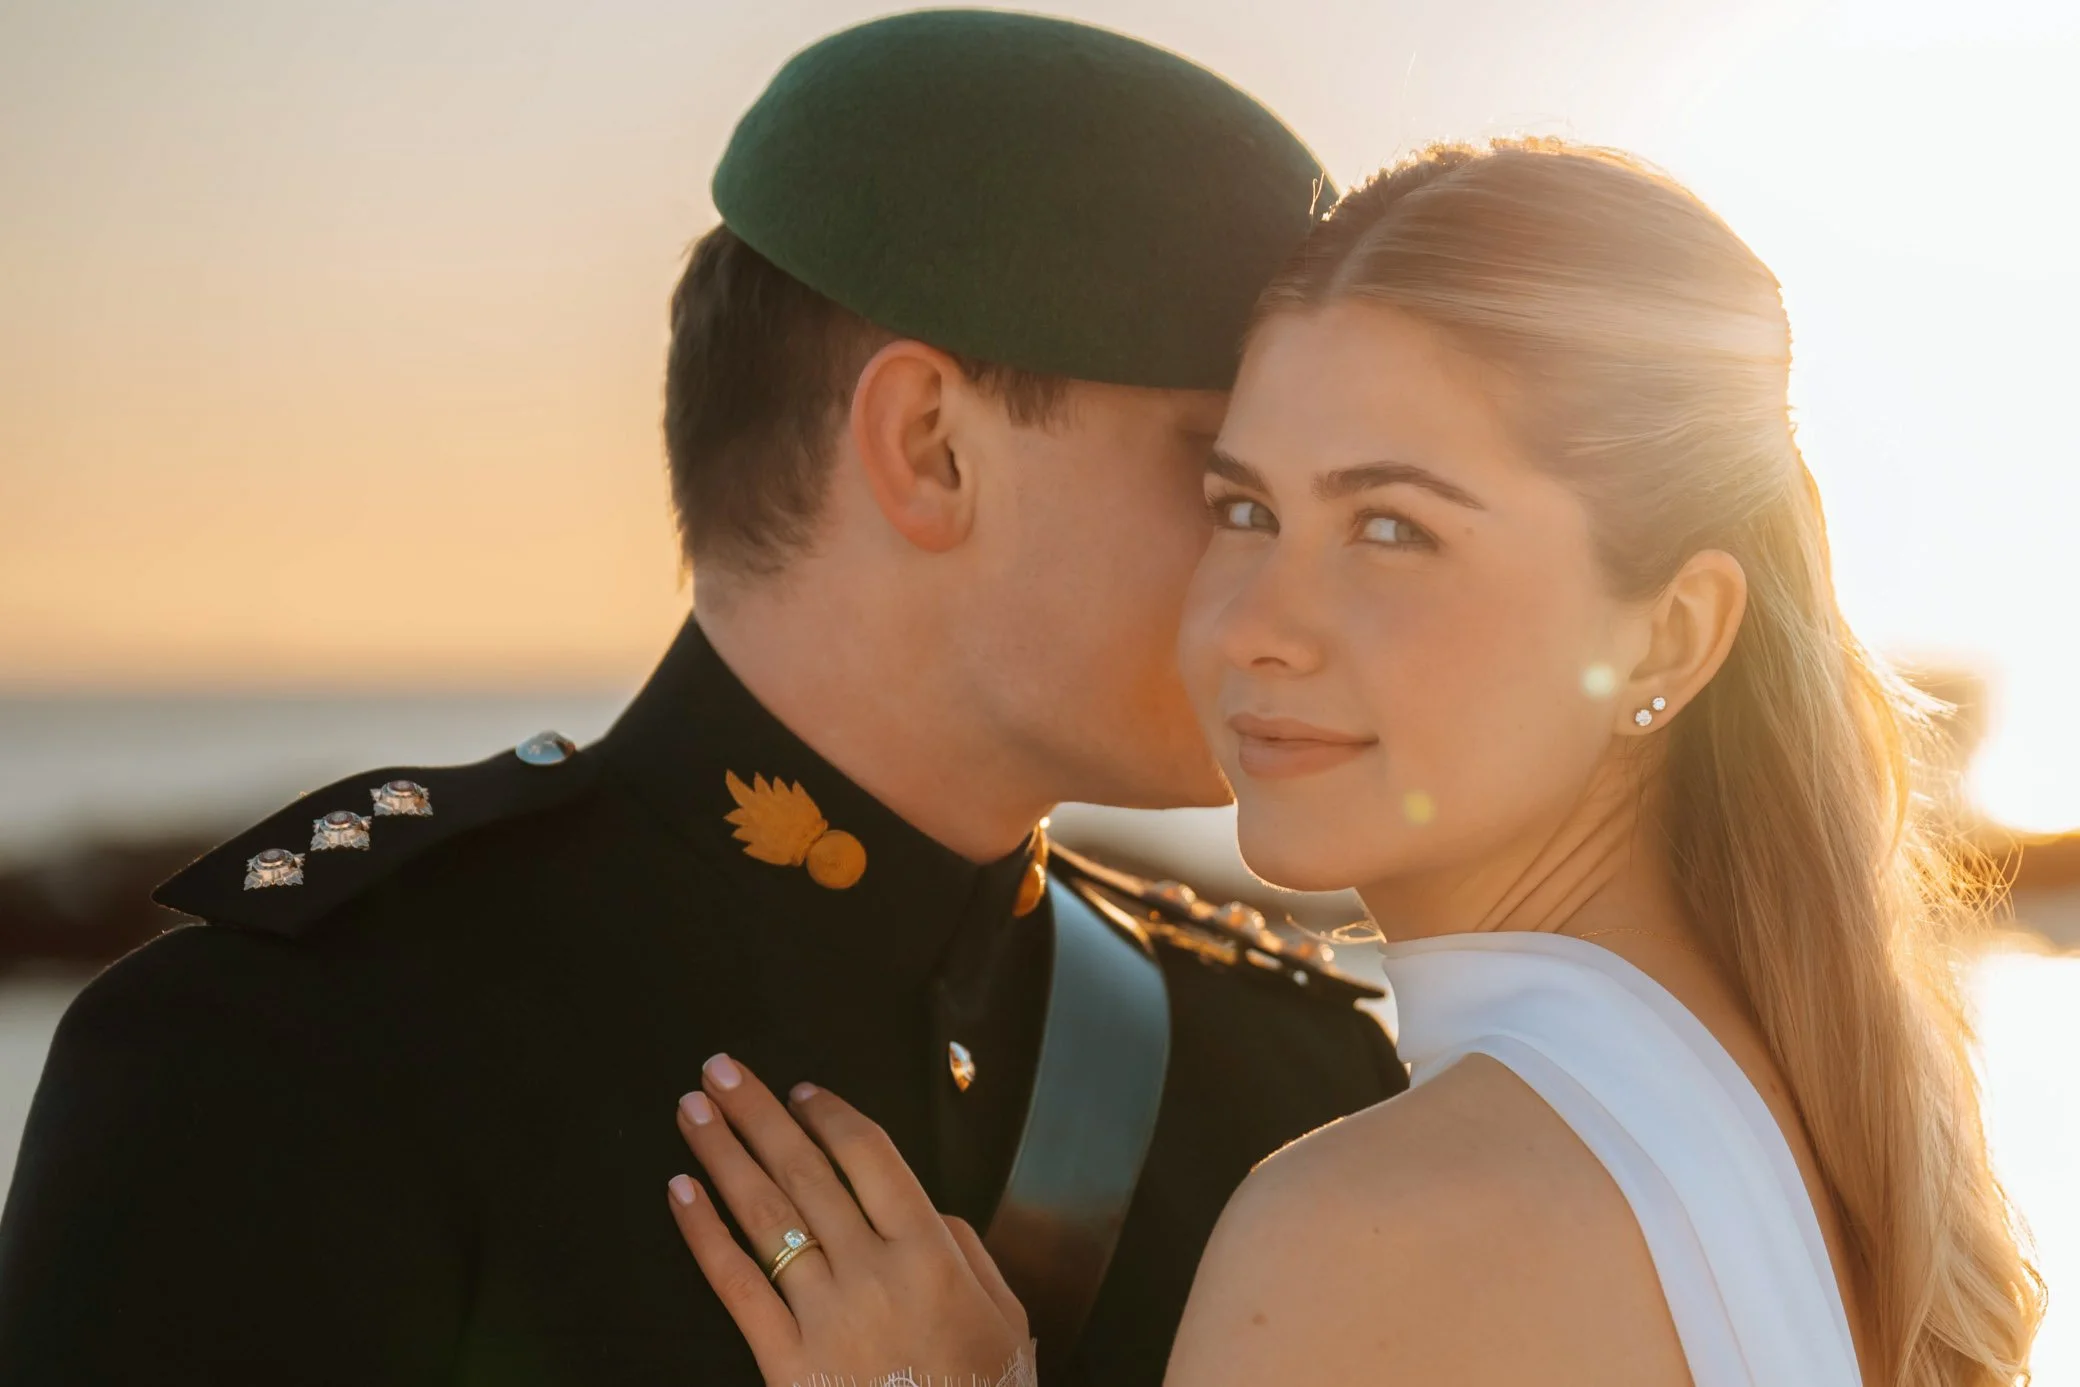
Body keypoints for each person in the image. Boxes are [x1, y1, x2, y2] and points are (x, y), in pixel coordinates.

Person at [0, 13, 1405, 1385]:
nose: (1302, 594)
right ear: (929, 447)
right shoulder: (279, 1066)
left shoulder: (1300, 1091)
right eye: (1224, 481)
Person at [661, 140, 2047, 1387]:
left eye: (1392, 529)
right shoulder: (1818, 1140)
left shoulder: (1368, 1231)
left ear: (1667, 637)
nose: (1253, 624)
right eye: (1242, 507)